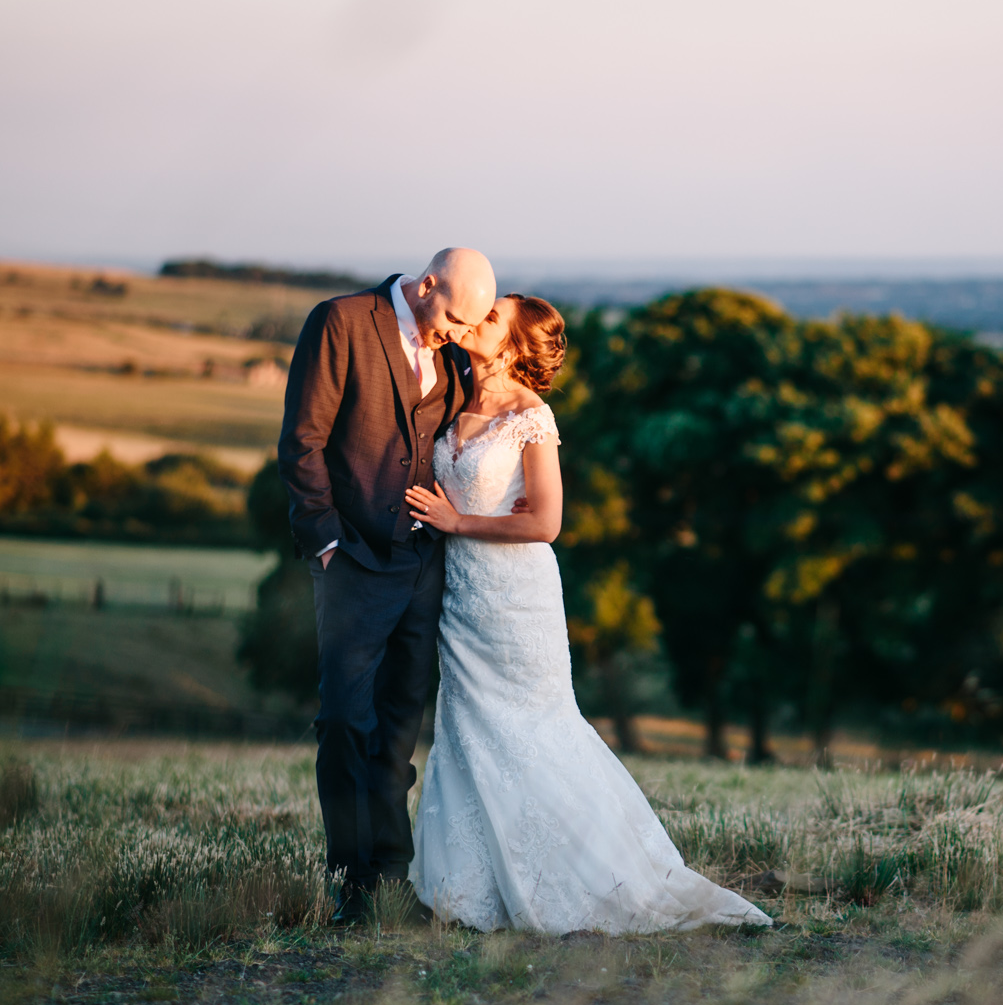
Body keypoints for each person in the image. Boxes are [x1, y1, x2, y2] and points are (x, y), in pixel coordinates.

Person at [405, 295, 772, 932]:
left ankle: (581, 879)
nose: (475, 320)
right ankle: (471, 891)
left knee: (533, 731)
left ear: (516, 347)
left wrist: (457, 520)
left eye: (491, 319)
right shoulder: (449, 399)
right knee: (467, 728)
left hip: (516, 598)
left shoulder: (532, 418)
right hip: (460, 596)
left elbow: (546, 522)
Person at [277, 247, 493, 926]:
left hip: (423, 563)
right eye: (453, 318)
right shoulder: (340, 322)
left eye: (466, 327)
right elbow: (302, 440)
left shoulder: (453, 351)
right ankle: (350, 880)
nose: (456, 335)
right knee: (345, 719)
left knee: (400, 724)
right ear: (426, 284)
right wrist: (327, 541)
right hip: (352, 560)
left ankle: (392, 881)